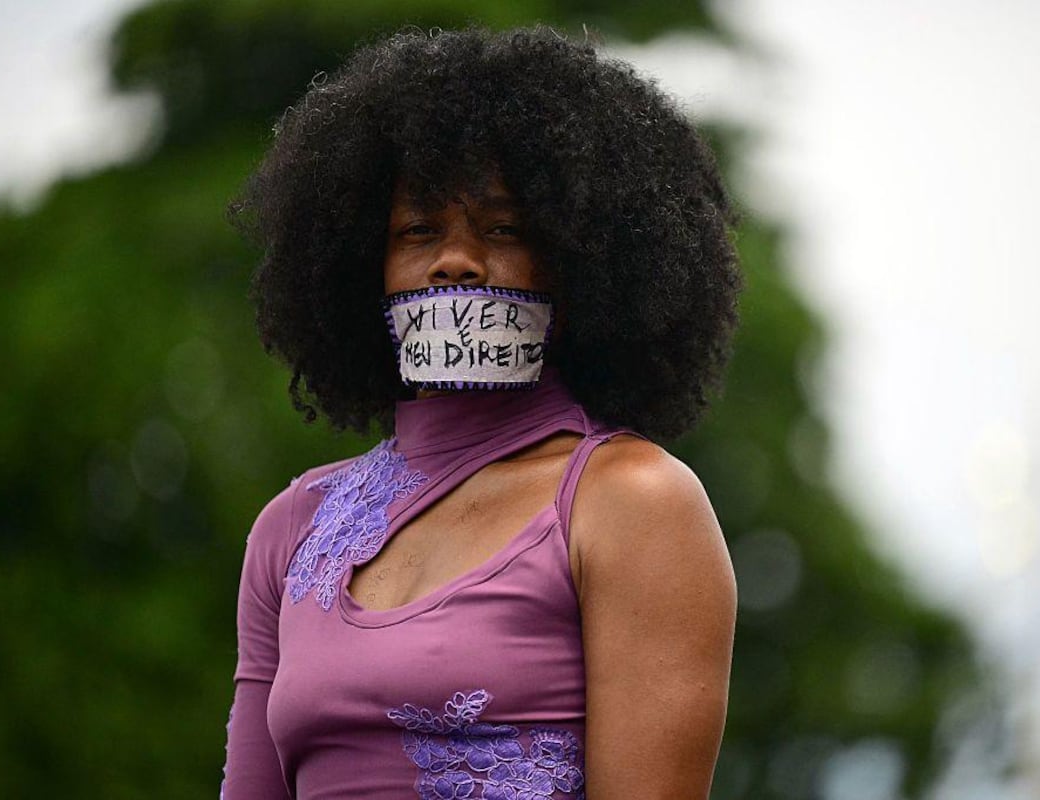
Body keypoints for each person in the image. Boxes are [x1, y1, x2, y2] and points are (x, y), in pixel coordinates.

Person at [221, 25, 741, 800]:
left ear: (580, 264)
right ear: (364, 266)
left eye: (503, 230)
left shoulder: (632, 501)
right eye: (418, 230)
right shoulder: (293, 526)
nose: (456, 261)